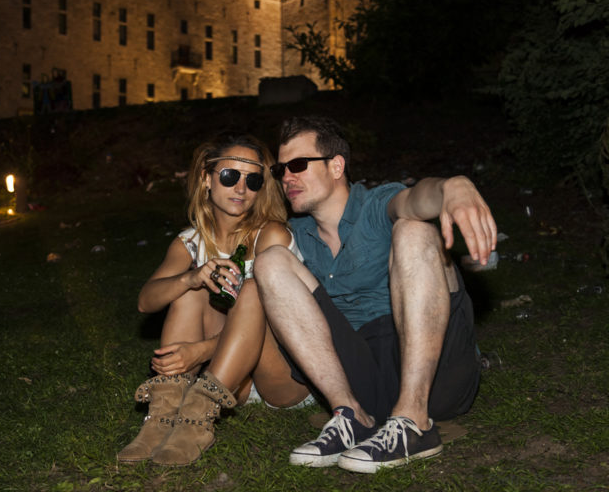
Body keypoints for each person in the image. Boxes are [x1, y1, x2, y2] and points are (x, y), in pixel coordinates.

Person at [253, 116, 497, 473]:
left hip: (436, 375)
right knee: (271, 261)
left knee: (414, 229)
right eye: (281, 169)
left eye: (298, 165)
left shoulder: (375, 204)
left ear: (336, 166)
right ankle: (352, 416)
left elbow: (416, 200)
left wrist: (453, 187)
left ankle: (414, 421)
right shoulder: (298, 234)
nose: (287, 177)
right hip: (364, 379)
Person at [118, 132, 314, 466]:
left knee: (252, 289)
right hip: (234, 379)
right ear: (207, 179)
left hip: (284, 374)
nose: (241, 188)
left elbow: (286, 324)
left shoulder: (271, 235)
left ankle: (197, 421)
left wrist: (201, 351)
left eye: (253, 180)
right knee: (189, 289)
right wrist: (191, 277)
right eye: (229, 175)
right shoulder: (191, 241)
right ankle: (161, 417)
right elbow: (146, 302)